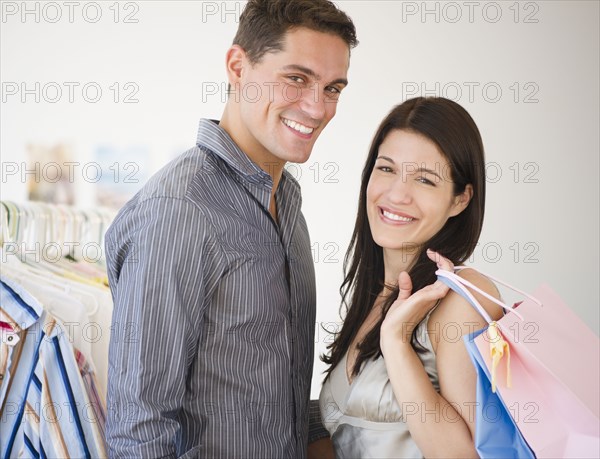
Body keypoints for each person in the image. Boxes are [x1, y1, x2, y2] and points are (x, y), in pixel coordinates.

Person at [103, 1, 357, 457]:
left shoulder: (286, 203)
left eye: (332, 87)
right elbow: (138, 430)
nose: (317, 108)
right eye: (296, 79)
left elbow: (281, 400)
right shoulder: (179, 211)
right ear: (238, 67)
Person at [314, 97, 504, 458]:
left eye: (424, 179)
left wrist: (397, 342)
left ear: (460, 200)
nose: (397, 193)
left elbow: (470, 456)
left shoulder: (460, 299)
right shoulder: (373, 297)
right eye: (386, 169)